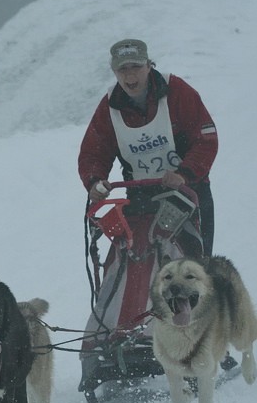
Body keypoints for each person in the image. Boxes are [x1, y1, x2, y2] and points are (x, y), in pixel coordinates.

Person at [78, 39, 218, 256]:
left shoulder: (177, 92)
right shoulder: (110, 107)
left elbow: (205, 139)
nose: (130, 75)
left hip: (189, 193)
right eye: (123, 69)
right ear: (114, 72)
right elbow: (94, 152)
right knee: (133, 258)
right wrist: (95, 181)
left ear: (149, 65)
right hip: (141, 196)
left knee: (196, 266)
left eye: (136, 67)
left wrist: (184, 174)